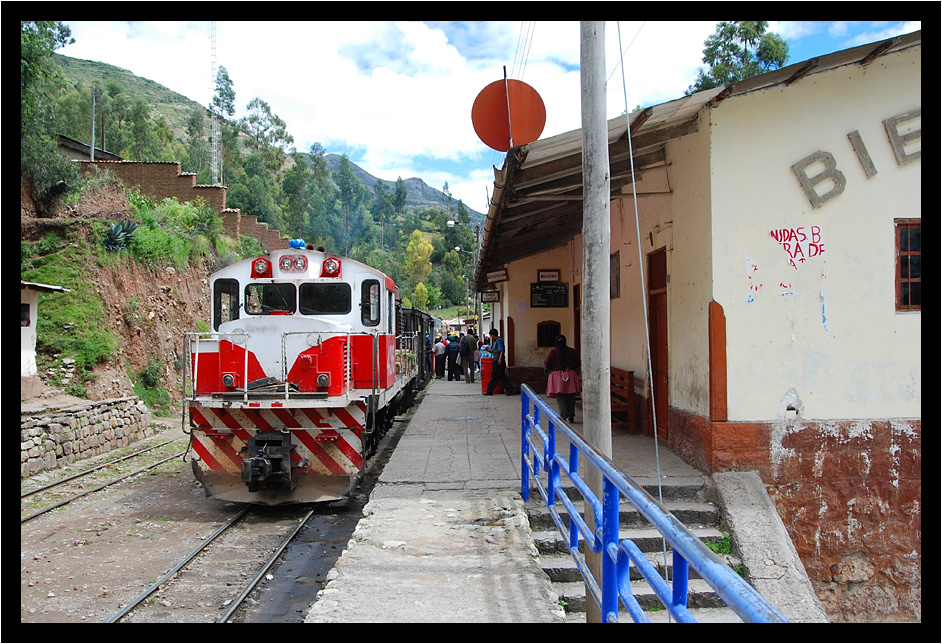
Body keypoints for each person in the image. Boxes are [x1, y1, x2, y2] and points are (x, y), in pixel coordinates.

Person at [544, 334, 581, 423]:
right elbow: (577, 363)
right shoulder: (572, 351)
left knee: (561, 397)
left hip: (557, 378)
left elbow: (547, 364)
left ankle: (563, 416)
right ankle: (571, 415)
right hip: (571, 375)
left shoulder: (553, 352)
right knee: (571, 396)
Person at [484, 328, 516, 396]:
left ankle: (489, 391)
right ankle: (510, 389)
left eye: (490, 335)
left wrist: (500, 359)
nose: (490, 337)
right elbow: (493, 351)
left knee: (494, 376)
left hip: (498, 360)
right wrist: (488, 350)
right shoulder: (496, 341)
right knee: (502, 376)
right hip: (498, 360)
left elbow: (501, 350)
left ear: (493, 335)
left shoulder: (499, 341)